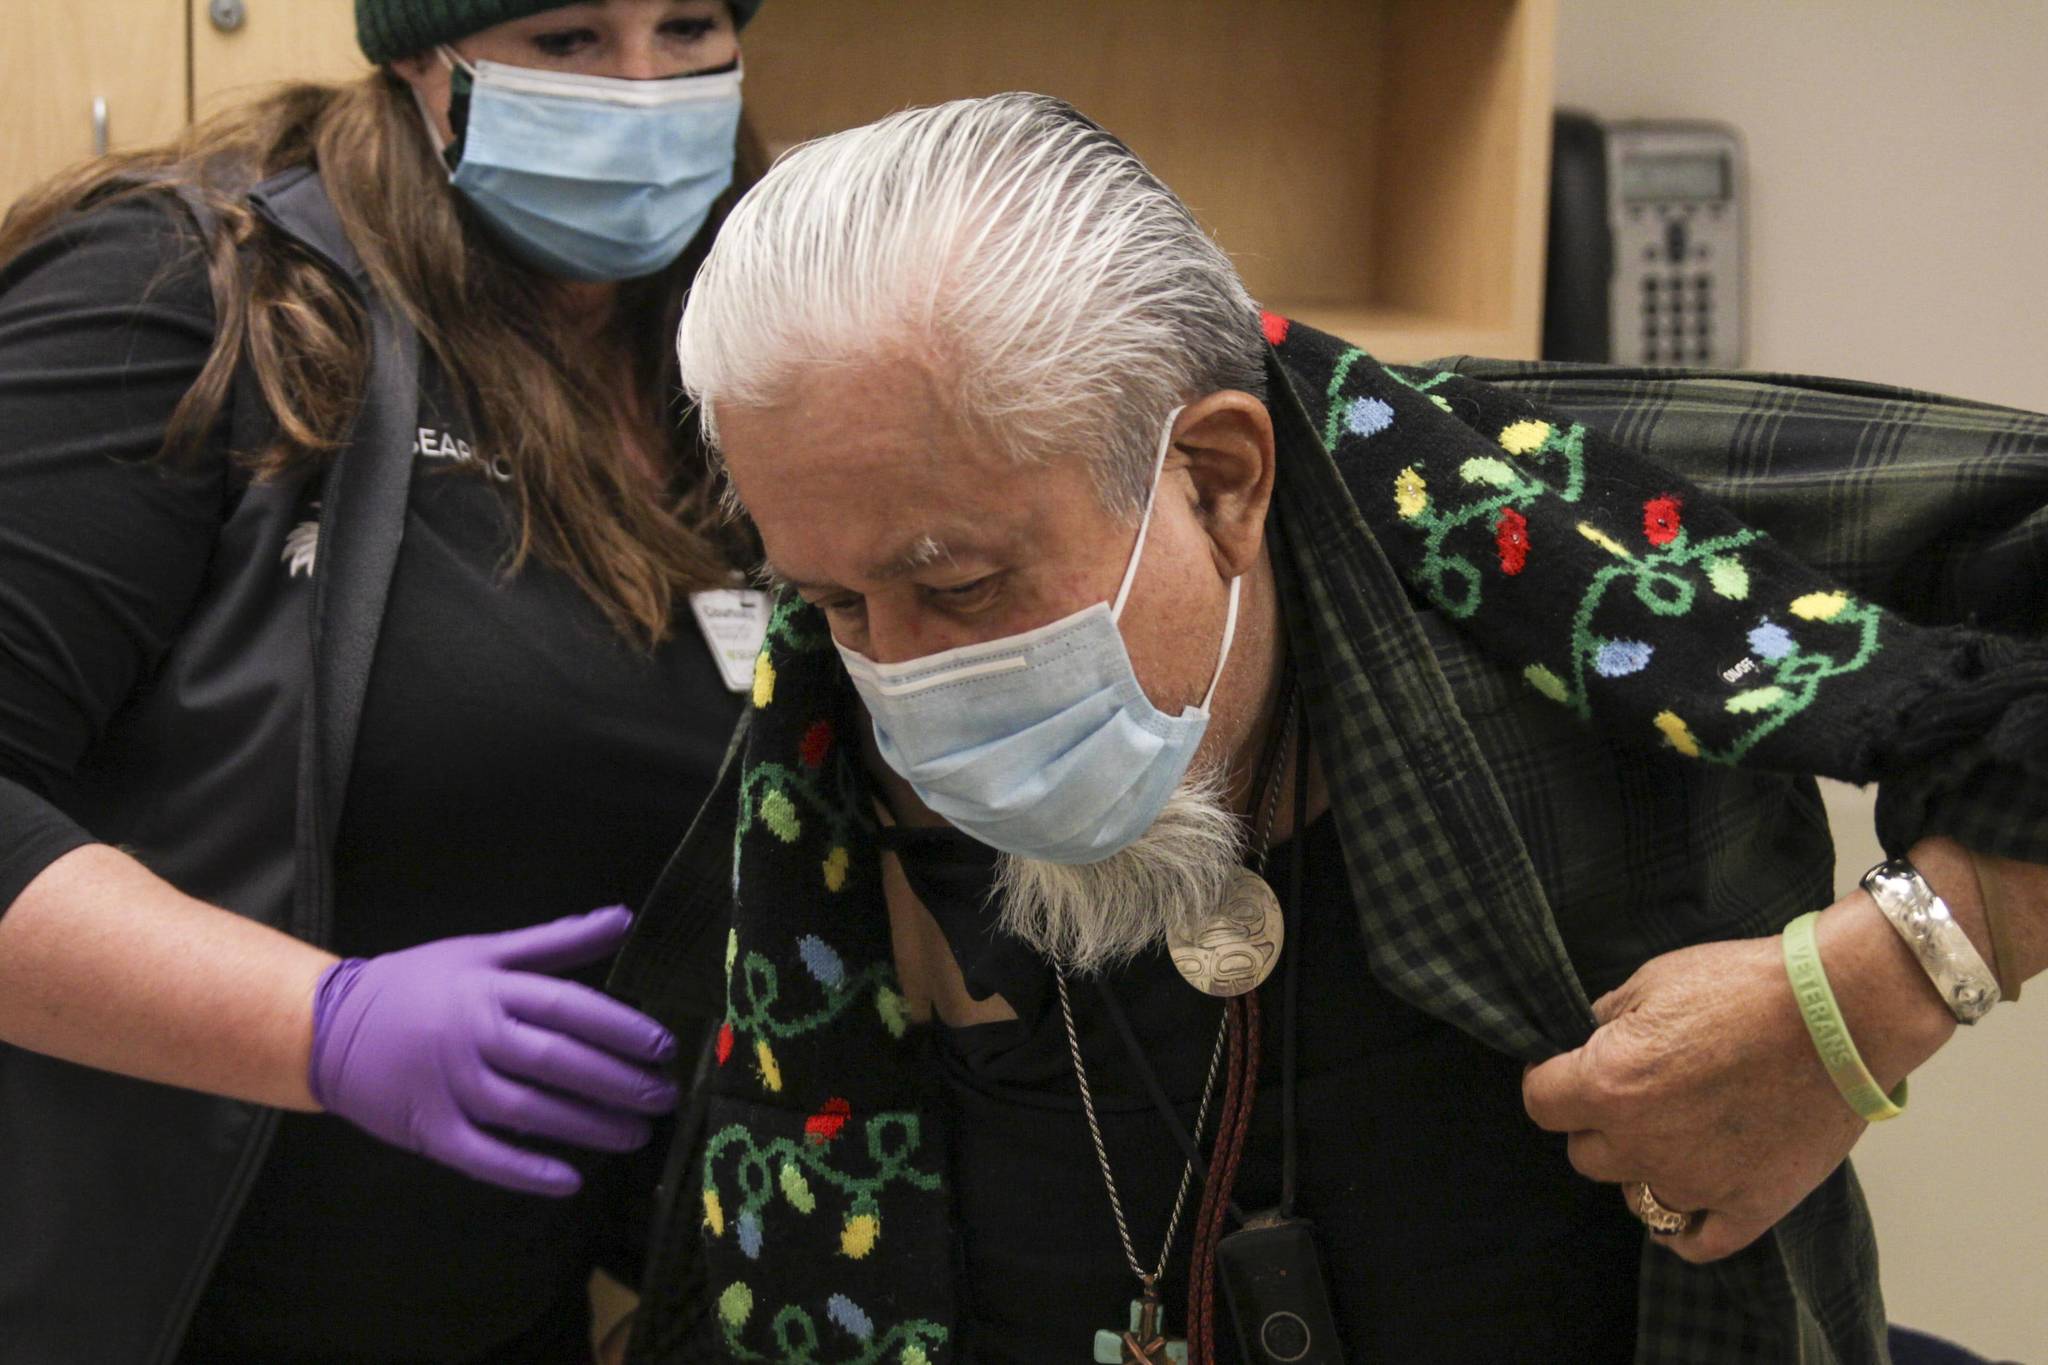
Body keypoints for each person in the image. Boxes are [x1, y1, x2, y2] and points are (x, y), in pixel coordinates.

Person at [607, 93, 2048, 1363]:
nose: (903, 680)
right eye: (837, 603)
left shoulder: (1553, 543)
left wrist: (1888, 981)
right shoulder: (818, 769)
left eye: (962, 585)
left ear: (1223, 478)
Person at [0, 2, 769, 1361]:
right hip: (145, 1305)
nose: (645, 89)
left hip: (508, 1306)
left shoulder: (752, 338)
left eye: (689, 24)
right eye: (573, 39)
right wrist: (325, 1023)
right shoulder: (198, 291)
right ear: (423, 57)